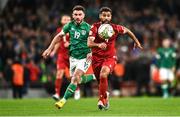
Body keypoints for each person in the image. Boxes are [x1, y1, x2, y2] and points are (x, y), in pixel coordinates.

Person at [87, 7, 143, 110]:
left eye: (108, 15)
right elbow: (89, 43)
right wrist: (98, 45)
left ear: (111, 17)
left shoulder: (115, 27)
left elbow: (128, 30)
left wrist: (136, 41)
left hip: (110, 57)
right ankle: (105, 96)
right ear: (100, 16)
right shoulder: (94, 27)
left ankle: (101, 100)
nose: (106, 17)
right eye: (104, 15)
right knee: (100, 82)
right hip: (96, 59)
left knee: (103, 74)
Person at [42, 5, 95, 109]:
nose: (78, 16)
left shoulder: (89, 27)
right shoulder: (69, 26)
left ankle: (62, 100)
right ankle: (93, 76)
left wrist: (91, 52)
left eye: (80, 14)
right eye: (75, 14)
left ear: (84, 15)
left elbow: (94, 41)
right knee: (77, 80)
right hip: (72, 58)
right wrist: (49, 49)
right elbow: (58, 37)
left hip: (84, 57)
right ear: (73, 15)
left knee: (75, 77)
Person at [50, 15, 72, 101]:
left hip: (71, 55)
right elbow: (58, 42)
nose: (66, 21)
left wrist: (69, 44)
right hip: (62, 55)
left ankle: (77, 89)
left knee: (73, 75)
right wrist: (54, 51)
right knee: (59, 73)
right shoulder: (59, 30)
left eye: (68, 19)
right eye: (64, 19)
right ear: (61, 21)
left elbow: (77, 41)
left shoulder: (73, 29)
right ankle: (57, 93)